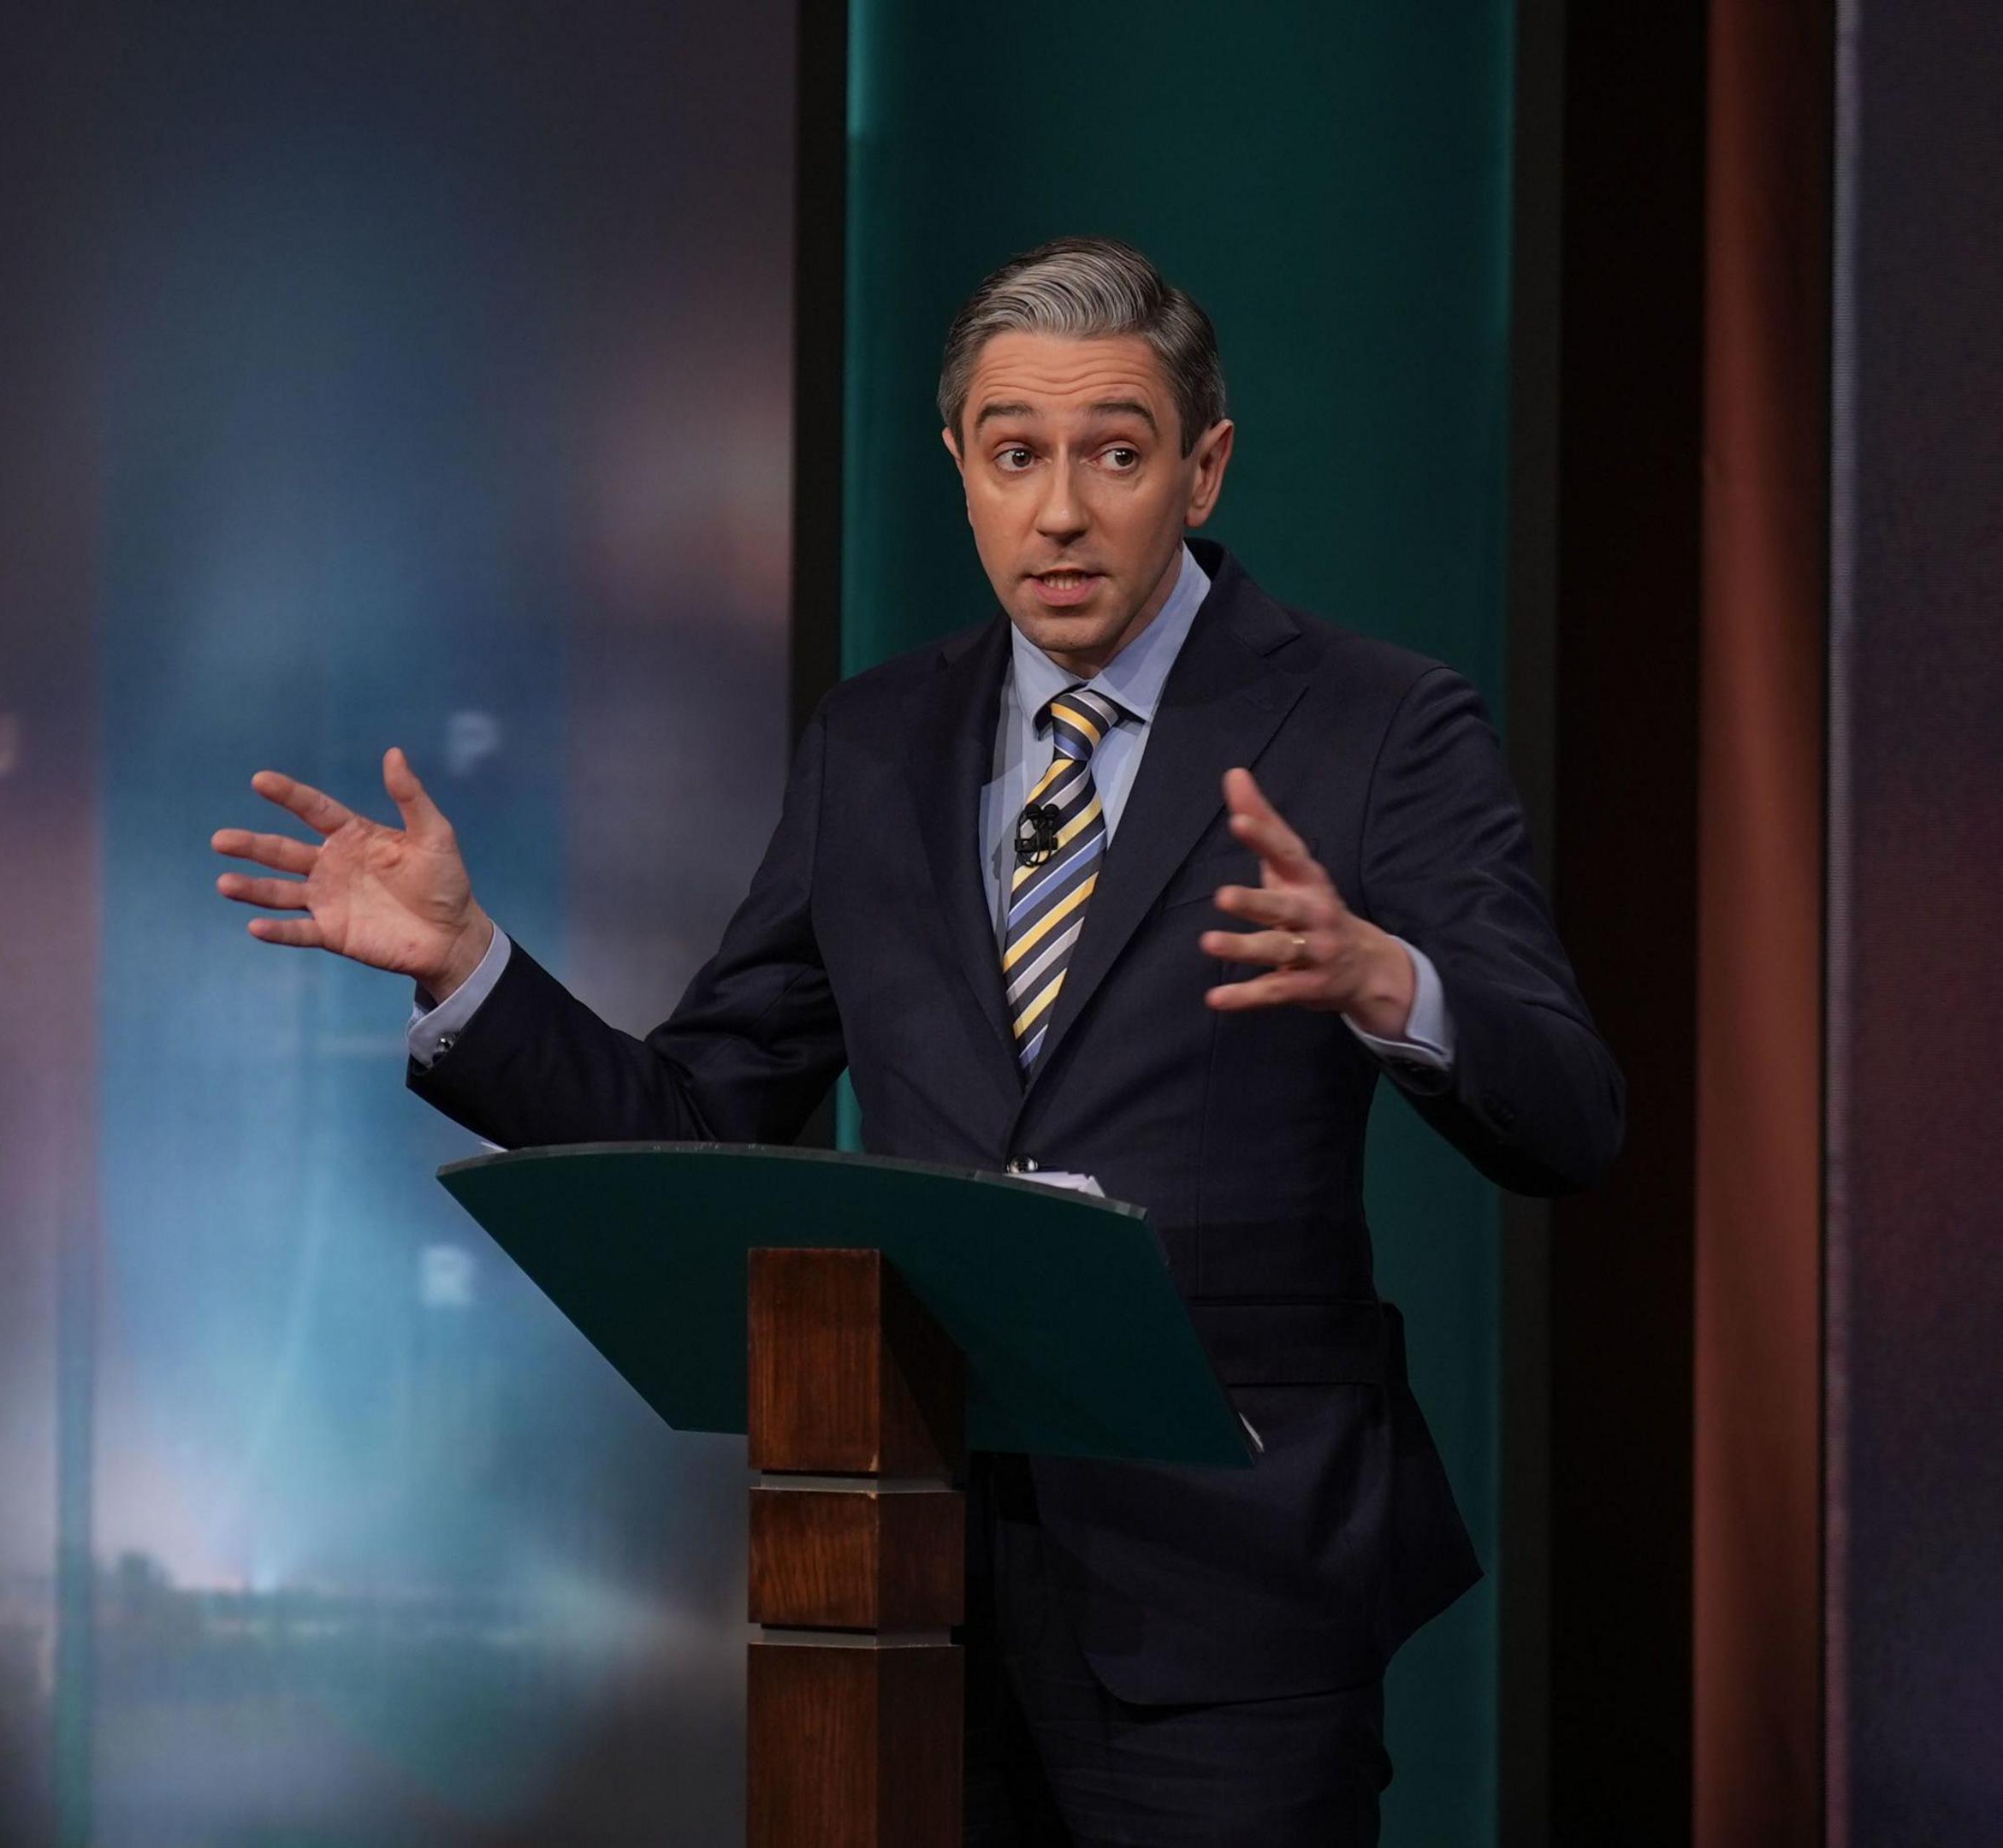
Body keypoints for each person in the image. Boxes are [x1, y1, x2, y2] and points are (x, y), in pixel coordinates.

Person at [212, 235, 1618, 1845]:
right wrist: (471, 965)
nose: (1063, 510)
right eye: (1016, 455)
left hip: (1234, 1593)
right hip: (902, 1577)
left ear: (1203, 468)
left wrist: (1393, 985)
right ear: (958, 466)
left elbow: (1570, 1113)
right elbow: (705, 1115)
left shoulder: (1376, 725)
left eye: (1116, 452)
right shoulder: (876, 742)